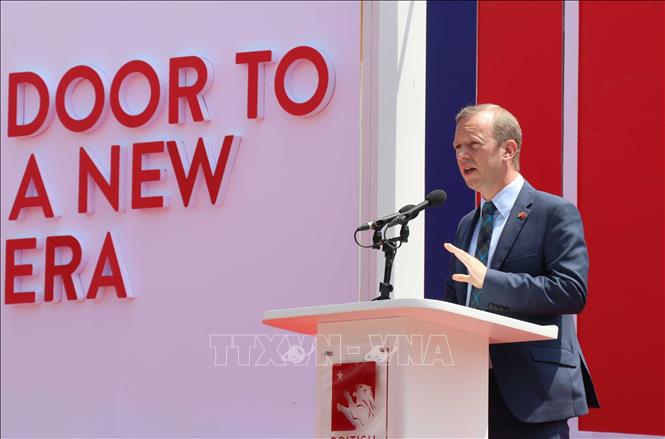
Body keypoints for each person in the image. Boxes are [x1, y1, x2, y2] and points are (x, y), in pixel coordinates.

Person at [442, 104, 599, 438]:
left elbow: (571, 290)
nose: (462, 155)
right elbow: (459, 300)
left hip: (532, 396)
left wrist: (491, 281)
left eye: (473, 144)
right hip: (468, 393)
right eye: (457, 147)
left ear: (508, 149)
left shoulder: (553, 212)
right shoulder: (467, 225)